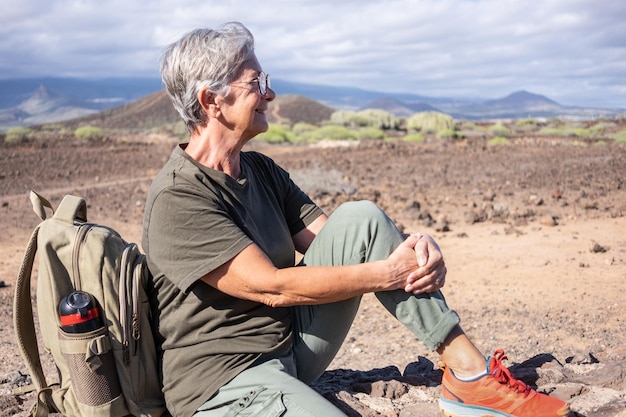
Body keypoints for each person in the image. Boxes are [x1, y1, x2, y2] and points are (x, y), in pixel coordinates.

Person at [142, 22, 570, 417]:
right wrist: (385, 274)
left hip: (290, 347)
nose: (270, 94)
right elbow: (271, 287)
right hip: (226, 381)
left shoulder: (260, 170)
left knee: (362, 216)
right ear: (211, 100)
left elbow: (346, 237)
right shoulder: (179, 196)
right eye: (257, 83)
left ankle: (469, 375)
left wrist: (414, 246)